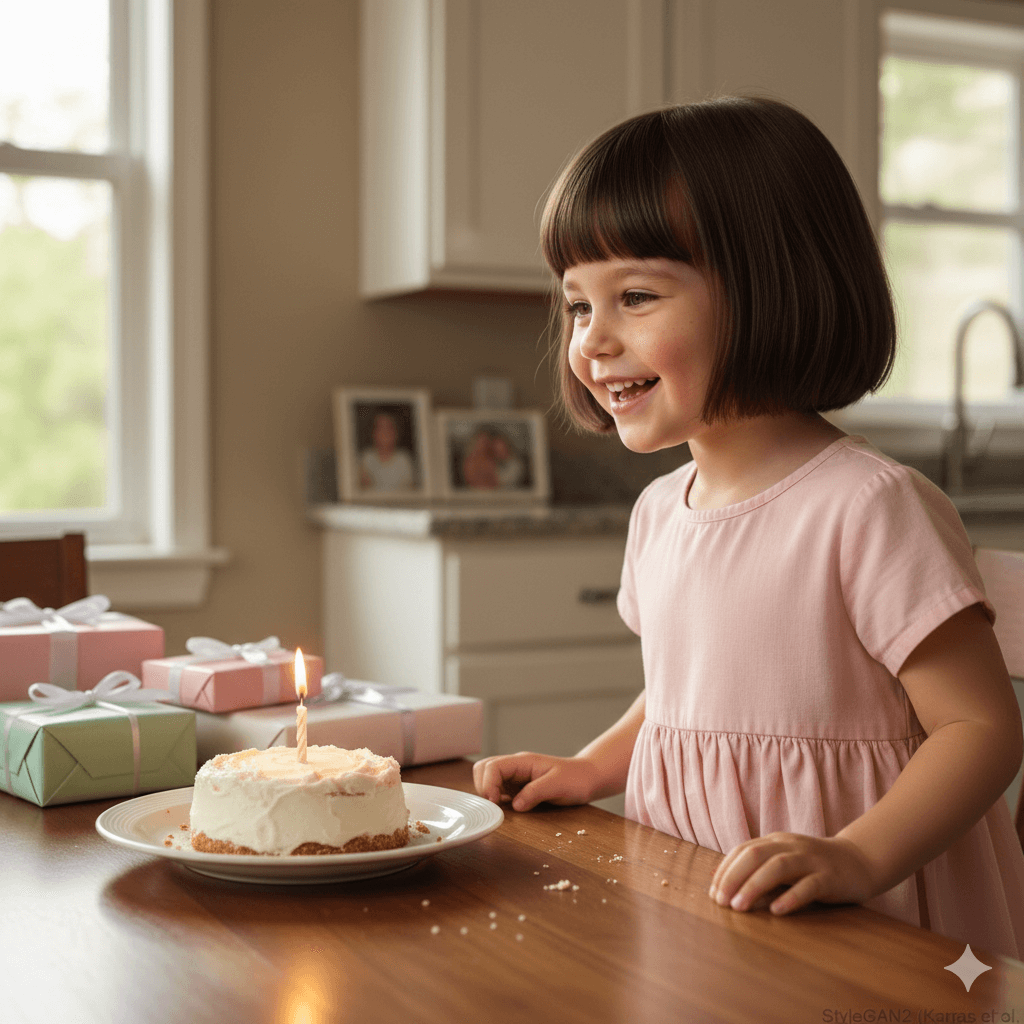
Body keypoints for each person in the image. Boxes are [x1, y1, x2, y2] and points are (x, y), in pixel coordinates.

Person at [472, 96, 1024, 958]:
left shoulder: (869, 506)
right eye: (579, 306)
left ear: (775, 287)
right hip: (706, 900)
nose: (592, 341)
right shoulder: (658, 513)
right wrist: (591, 766)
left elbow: (979, 729)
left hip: (868, 921)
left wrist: (856, 857)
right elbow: (687, 693)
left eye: (637, 296)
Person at [358, 410, 415, 491]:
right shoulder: (366, 458)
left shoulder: (404, 459)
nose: (385, 433)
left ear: (396, 432)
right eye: (380, 428)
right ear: (373, 433)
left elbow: (411, 491)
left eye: (389, 428)